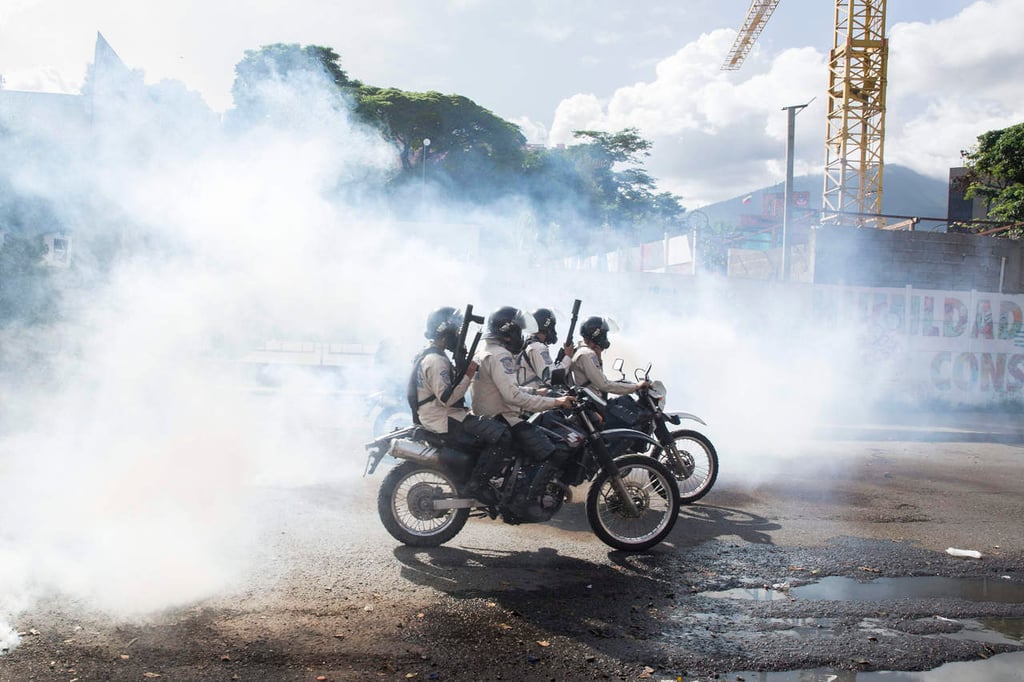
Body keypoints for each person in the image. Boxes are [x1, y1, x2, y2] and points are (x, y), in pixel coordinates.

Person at [467, 306, 574, 496]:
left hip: (488, 415)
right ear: (508, 332)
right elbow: (513, 396)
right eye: (518, 331)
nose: (521, 336)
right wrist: (557, 402)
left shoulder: (485, 350)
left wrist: (535, 391)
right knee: (554, 450)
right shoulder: (500, 355)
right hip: (503, 418)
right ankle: (524, 499)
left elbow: (506, 388)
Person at [407, 306, 476, 435]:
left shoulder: (428, 354)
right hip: (443, 421)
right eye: (456, 331)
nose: (458, 335)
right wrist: (468, 374)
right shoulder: (436, 361)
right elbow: (448, 399)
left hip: (437, 416)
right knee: (497, 435)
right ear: (446, 334)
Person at [570, 316, 650, 397]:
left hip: (592, 400)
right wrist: (635, 387)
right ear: (597, 335)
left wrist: (599, 359)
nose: (605, 338)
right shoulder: (587, 354)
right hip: (592, 404)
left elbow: (597, 379)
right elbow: (604, 384)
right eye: (603, 335)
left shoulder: (580, 351)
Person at [517, 308, 575, 390]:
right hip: (537, 399)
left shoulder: (526, 346)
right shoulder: (538, 347)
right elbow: (552, 378)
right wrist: (568, 357)